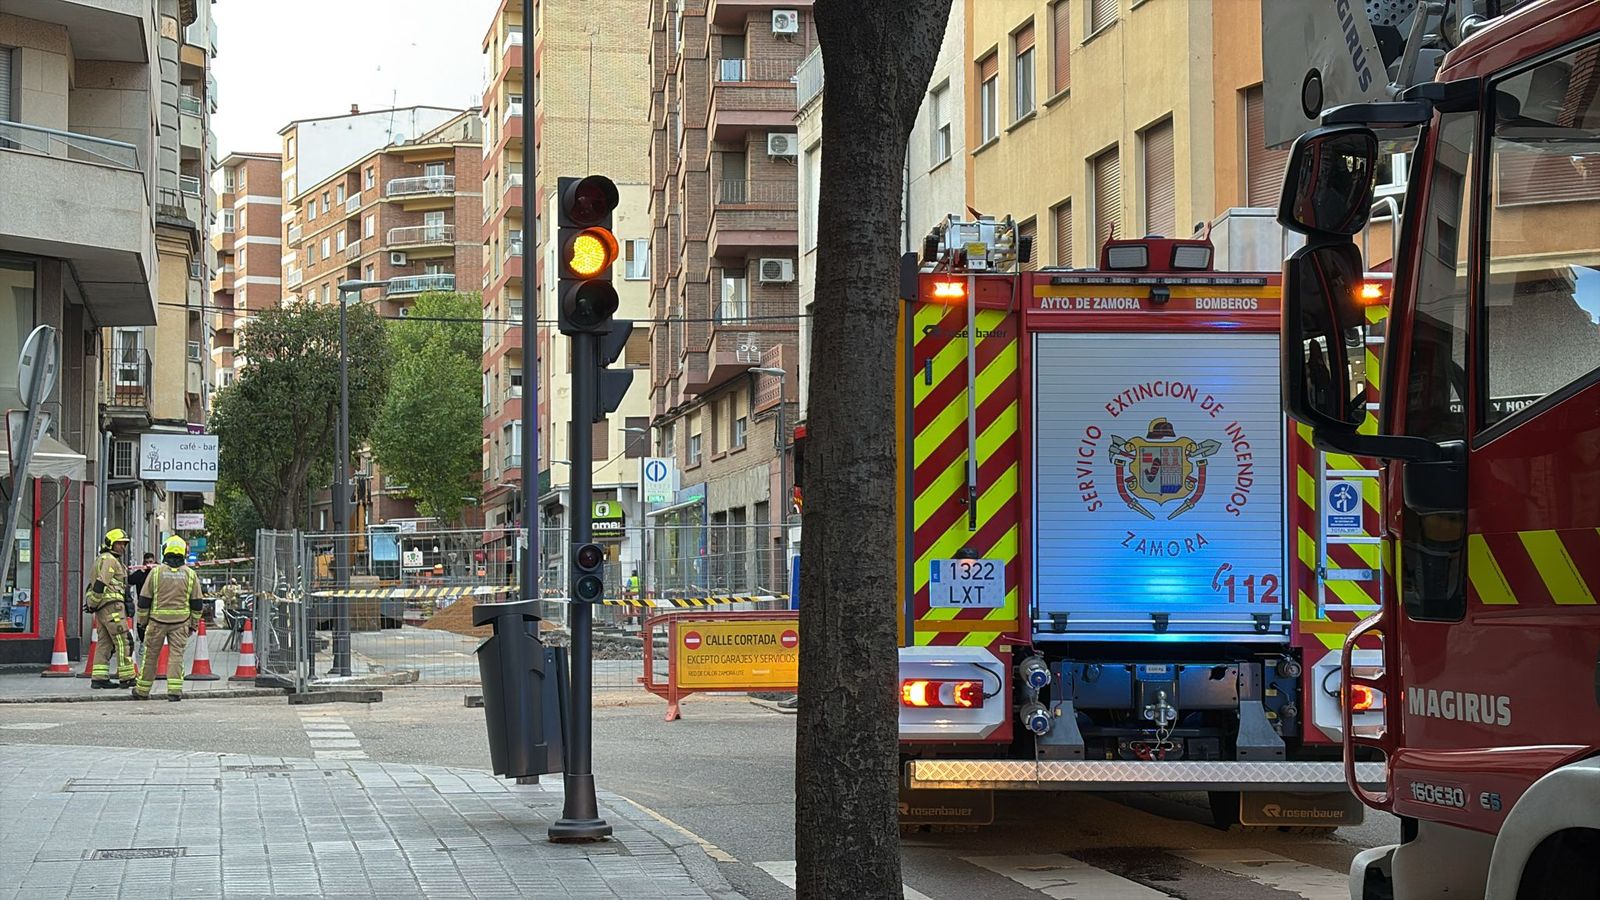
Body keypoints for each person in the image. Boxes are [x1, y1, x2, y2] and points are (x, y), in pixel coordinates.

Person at [132, 536, 204, 702]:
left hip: (157, 622)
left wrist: (142, 623)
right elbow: (197, 603)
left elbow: (144, 600)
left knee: (150, 656)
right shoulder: (190, 574)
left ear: (166, 550)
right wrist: (193, 624)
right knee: (176, 656)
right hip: (180, 623)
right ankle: (175, 691)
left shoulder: (156, 572)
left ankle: (142, 691)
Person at [85, 529, 136, 689]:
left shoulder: (103, 559)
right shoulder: (109, 560)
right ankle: (127, 677)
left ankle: (99, 678)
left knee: (105, 643)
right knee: (124, 641)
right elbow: (101, 583)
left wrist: (93, 605)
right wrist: (93, 603)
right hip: (112, 606)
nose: (123, 547)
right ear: (111, 544)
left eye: (124, 544)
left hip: (103, 608)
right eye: (119, 543)